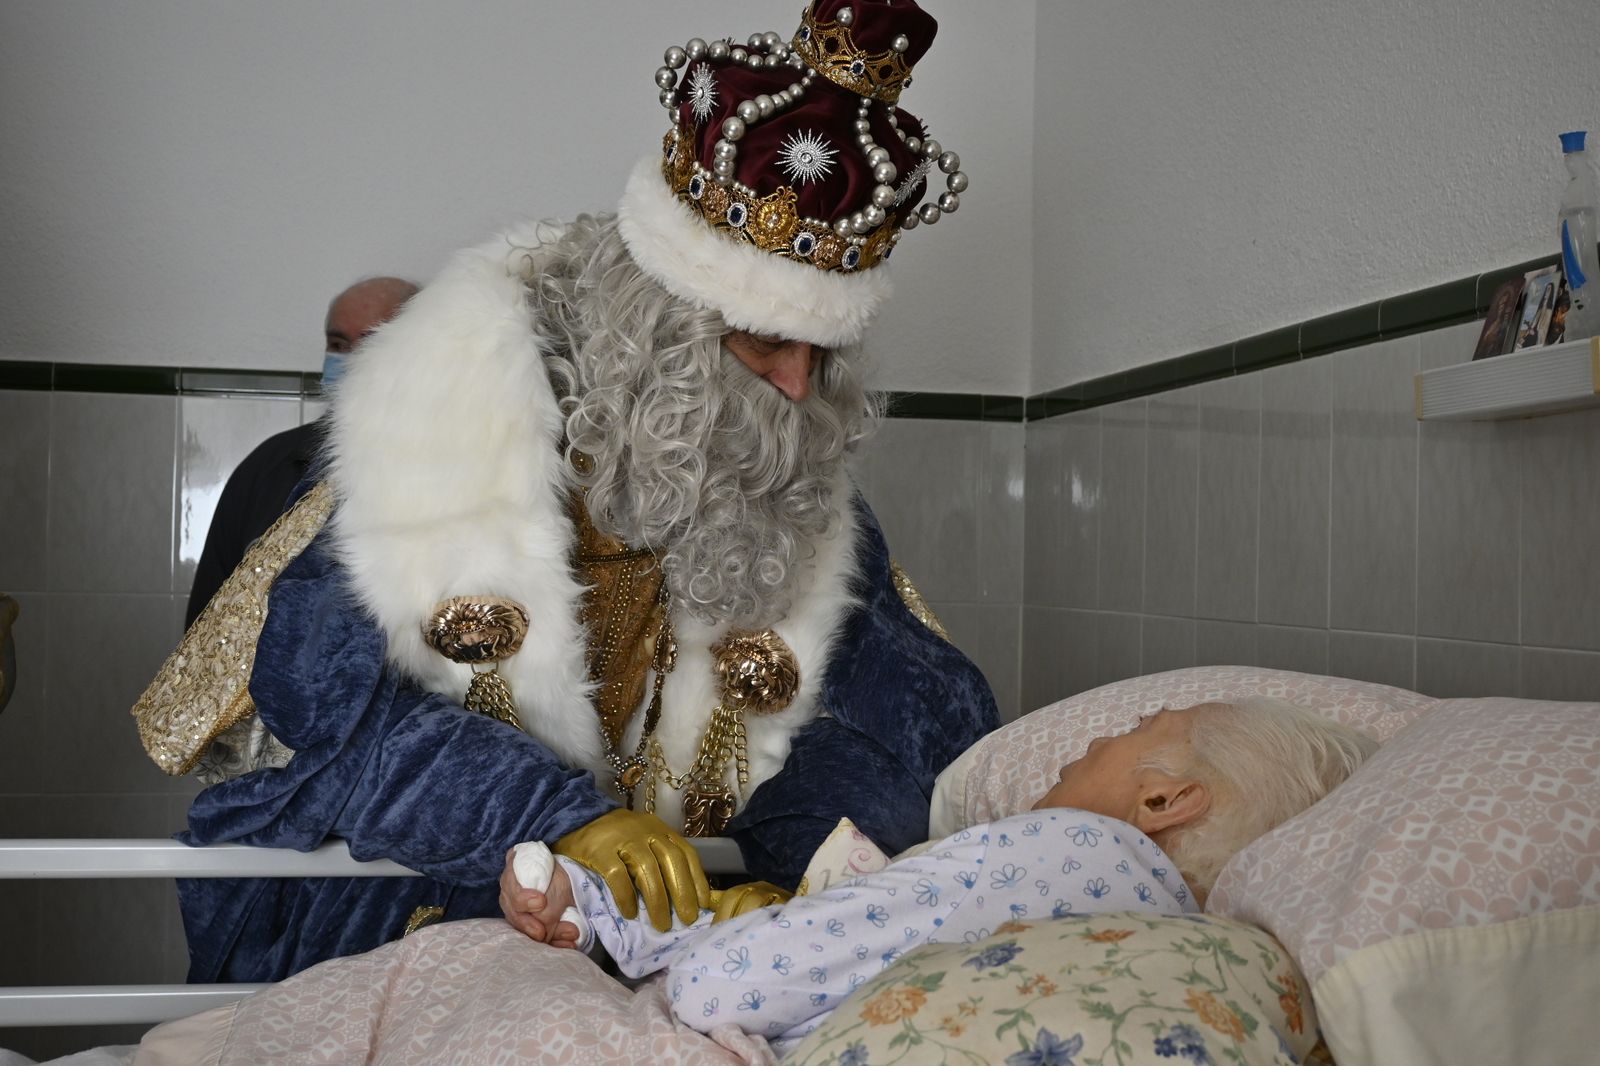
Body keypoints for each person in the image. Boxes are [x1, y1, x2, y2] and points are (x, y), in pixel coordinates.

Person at [133, 0, 996, 985]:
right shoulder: (448, 420)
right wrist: (559, 819)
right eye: (767, 342)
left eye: (822, 348)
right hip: (394, 921)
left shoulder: (784, 467)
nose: (799, 386)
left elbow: (908, 731)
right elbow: (330, 705)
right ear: (671, 328)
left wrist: (805, 885)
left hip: (646, 963)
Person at [505, 698, 1378, 1053]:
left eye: (1138, 725)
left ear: (1162, 801)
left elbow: (726, 984)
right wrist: (616, 914)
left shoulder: (1067, 848)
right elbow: (877, 941)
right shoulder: (1168, 932)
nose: (1093, 738)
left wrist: (670, 958)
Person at [183, 276, 418, 627]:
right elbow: (207, 622)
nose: (350, 359)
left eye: (371, 343)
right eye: (338, 344)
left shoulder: (454, 473)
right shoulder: (270, 466)